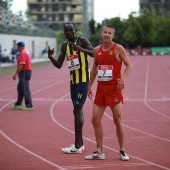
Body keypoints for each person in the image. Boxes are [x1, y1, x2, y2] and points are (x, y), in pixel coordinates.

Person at [84, 24, 132, 160]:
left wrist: (122, 78)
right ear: (101, 34)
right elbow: (94, 70)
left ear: (113, 36)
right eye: (104, 32)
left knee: (117, 120)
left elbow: (129, 65)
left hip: (114, 89)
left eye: (109, 33)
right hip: (101, 89)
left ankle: (122, 150)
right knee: (95, 120)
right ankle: (99, 151)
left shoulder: (118, 48)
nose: (106, 35)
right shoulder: (96, 50)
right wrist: (89, 87)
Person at [48, 23, 94, 153]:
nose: (69, 32)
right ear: (64, 32)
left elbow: (95, 53)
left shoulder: (82, 40)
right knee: (76, 110)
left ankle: (78, 146)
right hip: (73, 81)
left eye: (71, 30)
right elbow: (59, 65)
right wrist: (50, 57)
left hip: (83, 80)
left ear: (75, 31)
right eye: (66, 30)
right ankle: (80, 144)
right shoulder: (64, 45)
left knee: (77, 109)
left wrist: (81, 49)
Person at [11, 41, 34, 110]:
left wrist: (15, 74)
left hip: (24, 72)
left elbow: (21, 65)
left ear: (19, 46)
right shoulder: (25, 51)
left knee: (25, 88)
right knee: (20, 88)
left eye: (17, 46)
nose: (16, 47)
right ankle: (18, 103)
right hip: (26, 72)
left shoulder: (23, 53)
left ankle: (29, 105)